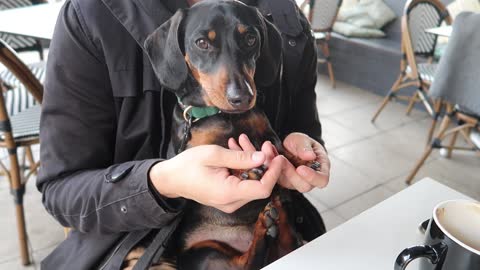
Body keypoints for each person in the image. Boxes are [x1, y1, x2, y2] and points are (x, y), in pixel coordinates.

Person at [37, 0, 331, 268]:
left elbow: (304, 130)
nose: (239, 91)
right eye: (203, 43)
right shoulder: (92, 16)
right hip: (144, 243)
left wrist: (305, 153)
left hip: (276, 231)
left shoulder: (281, 12)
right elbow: (61, 189)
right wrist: (162, 182)